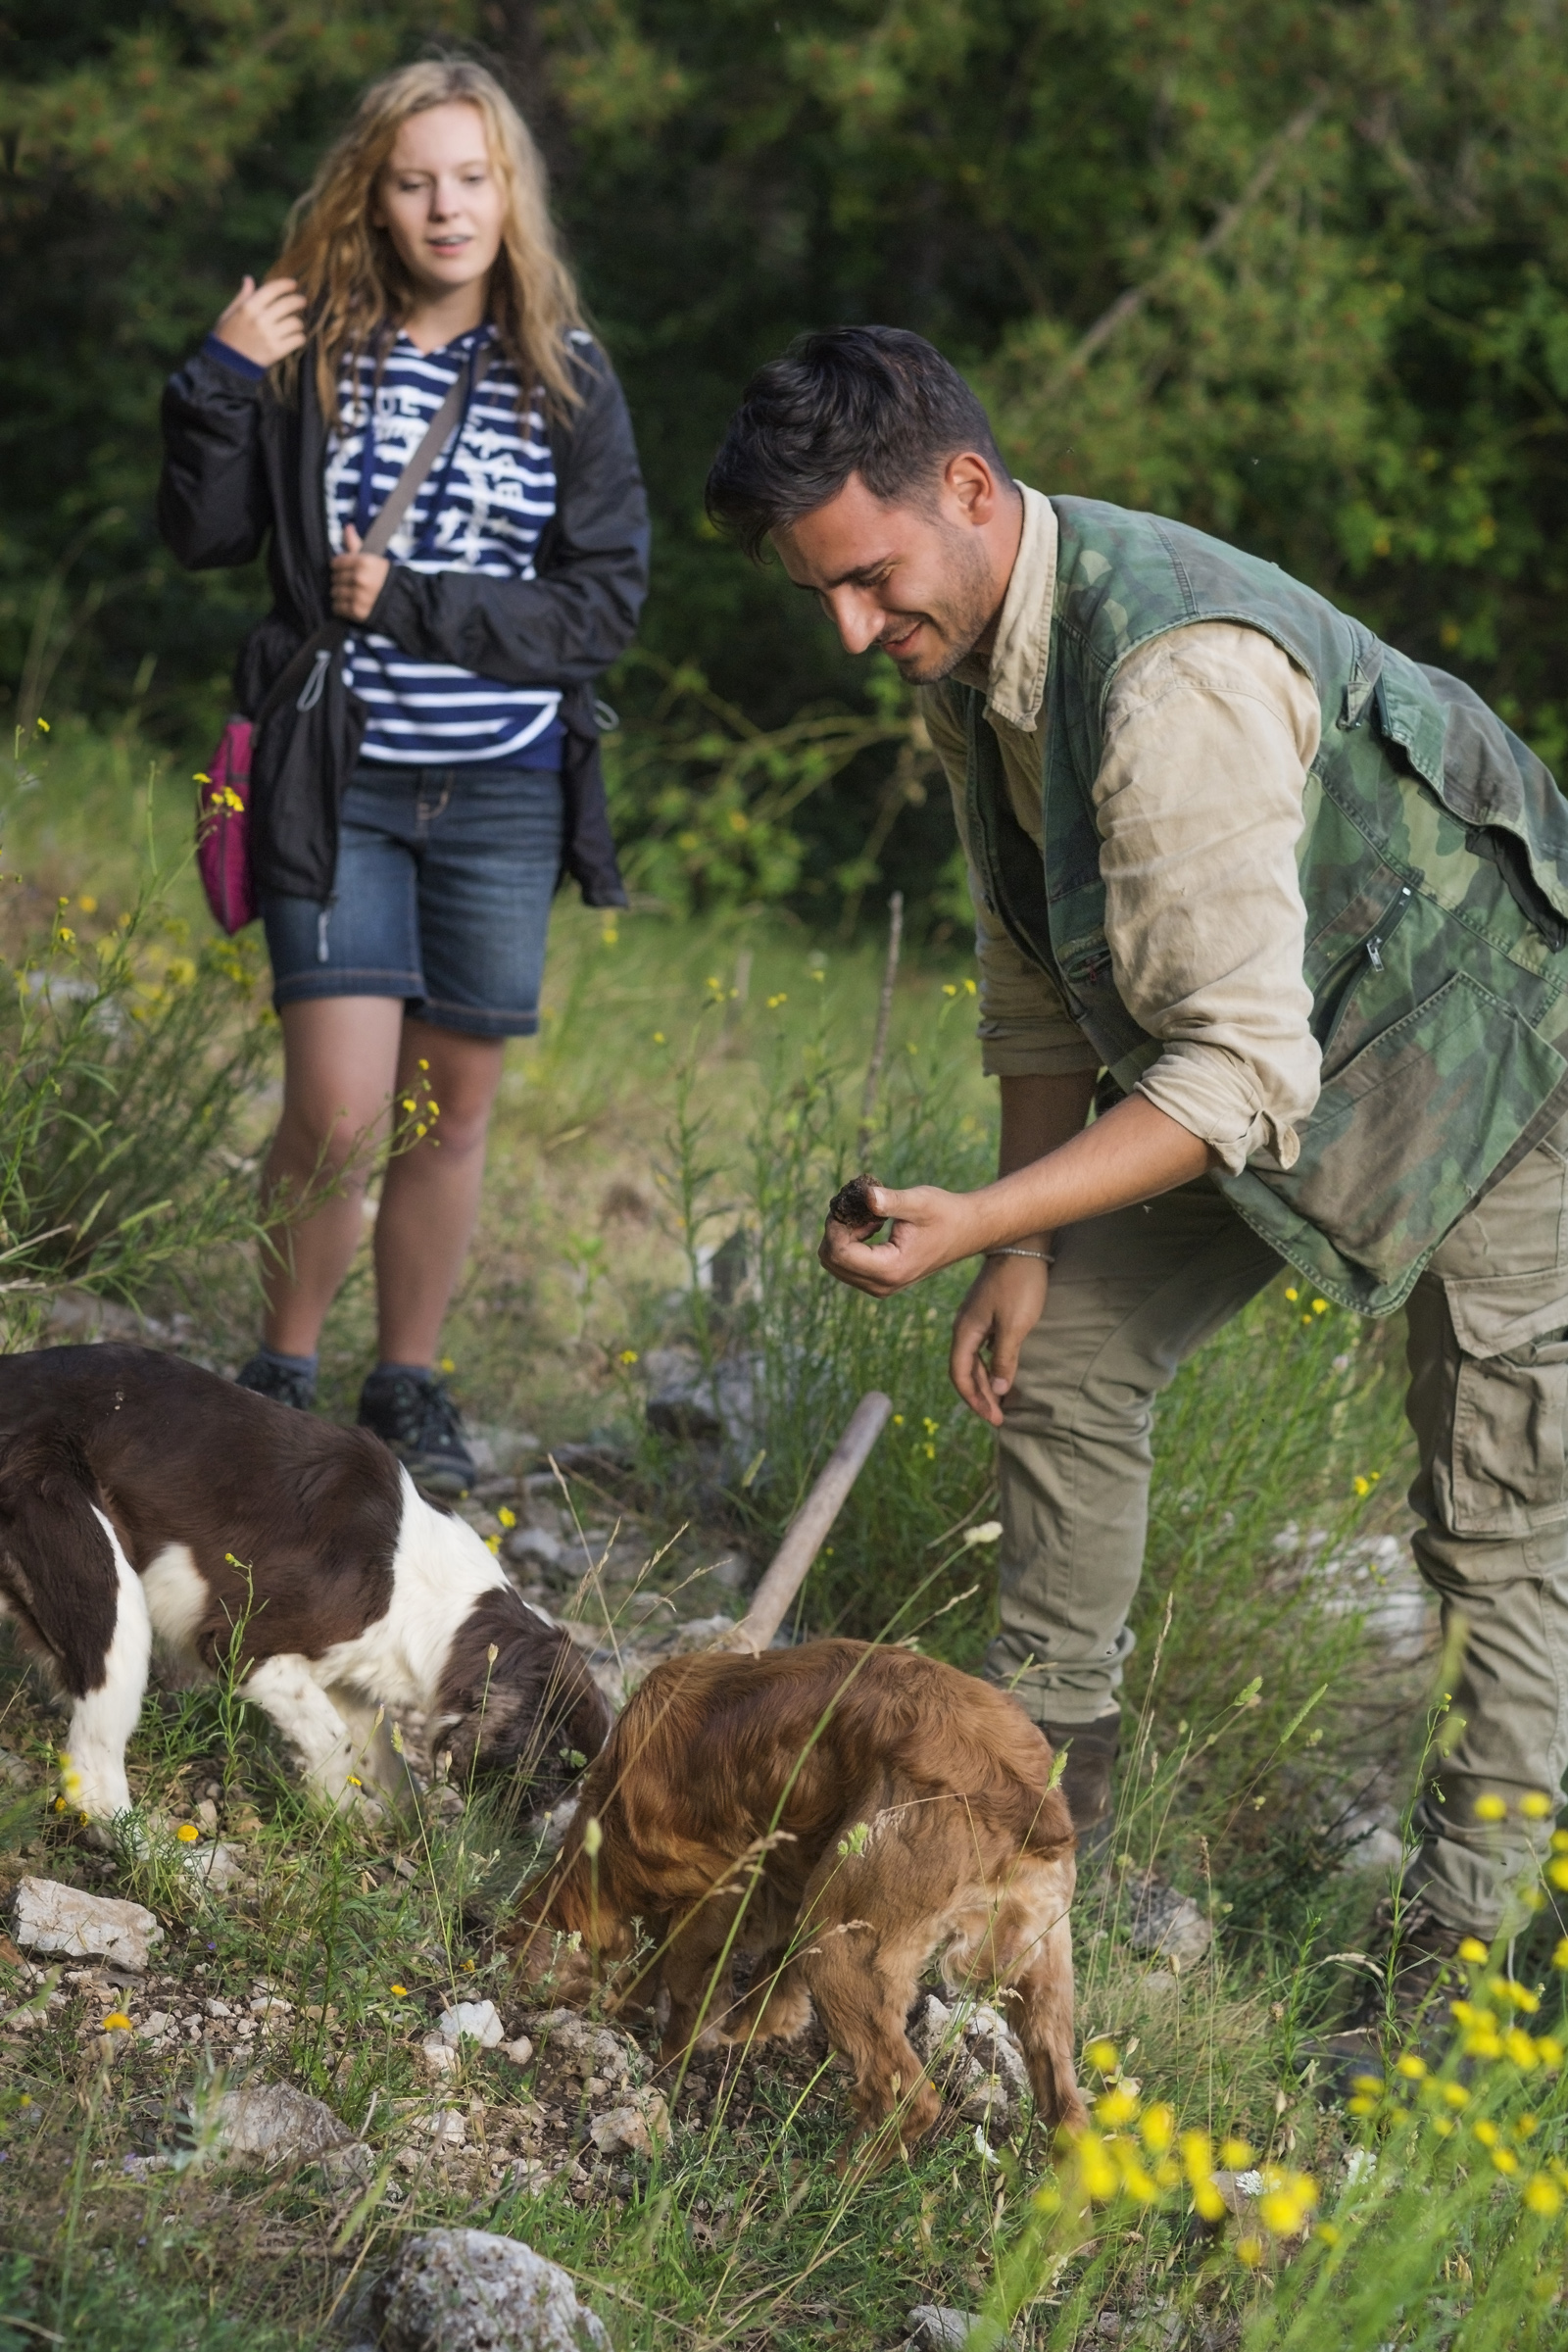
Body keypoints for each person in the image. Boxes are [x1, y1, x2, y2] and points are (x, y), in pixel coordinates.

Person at [706, 323, 1568, 2010]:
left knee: (1495, 1524)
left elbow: (1239, 1071)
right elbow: (1035, 963)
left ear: (966, 488)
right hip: (1271, 1044)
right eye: (821, 597)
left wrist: (985, 1217)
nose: (853, 632)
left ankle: (1464, 1969)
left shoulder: (1174, 679)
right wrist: (1015, 1253)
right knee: (1066, 1354)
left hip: (1494, 1063)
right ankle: (1023, 1846)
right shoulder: (971, 644)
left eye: (870, 581)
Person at [159, 59, 648, 1494]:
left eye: (473, 178)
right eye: (416, 179)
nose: (447, 206)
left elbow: (601, 608)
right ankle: (283, 1367)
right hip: (339, 780)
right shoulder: (315, 354)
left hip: (499, 791)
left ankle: (409, 1384)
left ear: (511, 195)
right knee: (342, 1106)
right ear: (372, 195)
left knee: (452, 1112)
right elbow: (199, 535)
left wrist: (421, 600)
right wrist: (217, 379)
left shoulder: (569, 373)